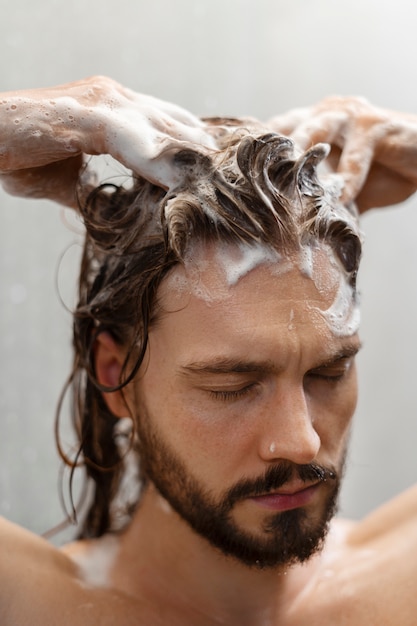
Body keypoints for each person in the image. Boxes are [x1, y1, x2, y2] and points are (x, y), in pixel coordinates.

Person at [0, 76, 417, 626]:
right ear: (116, 374)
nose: (300, 441)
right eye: (233, 385)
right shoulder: (33, 606)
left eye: (329, 371)